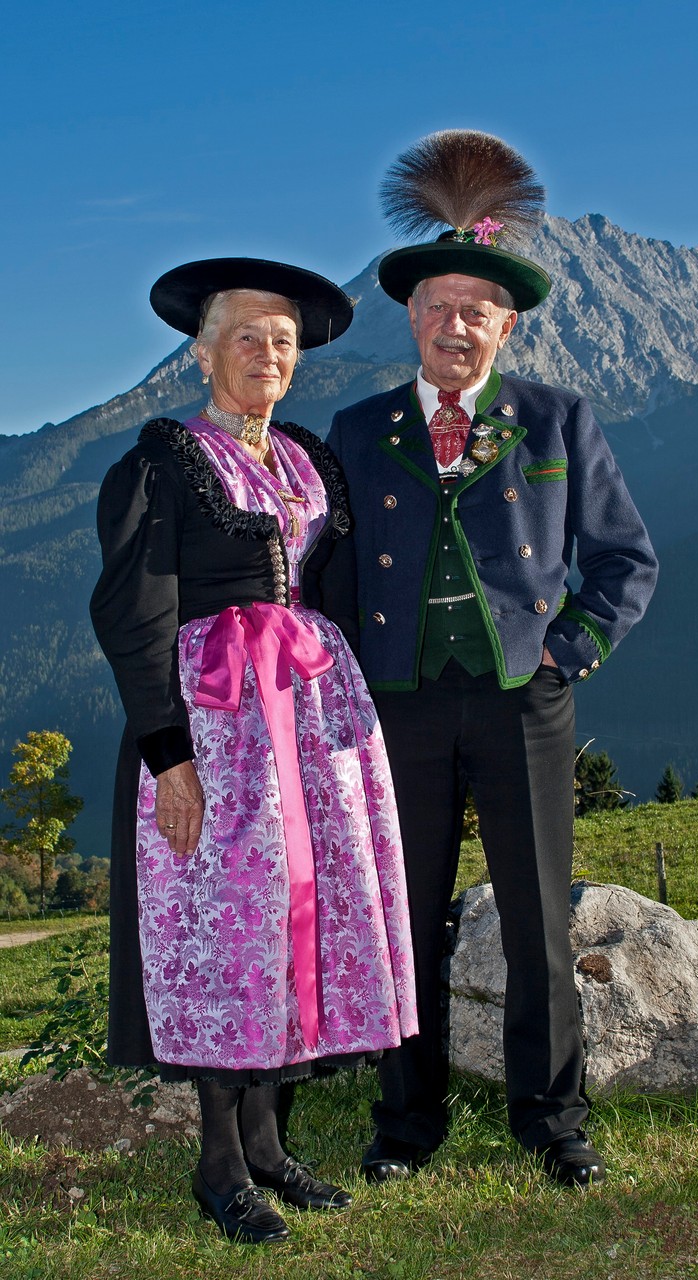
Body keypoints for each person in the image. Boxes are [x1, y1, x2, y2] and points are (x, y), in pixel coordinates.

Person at [321, 132, 659, 1188]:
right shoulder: (358, 425)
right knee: (404, 916)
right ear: (410, 318)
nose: (455, 324)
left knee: (535, 915)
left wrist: (569, 651)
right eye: (437, 306)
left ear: (504, 325)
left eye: (477, 309)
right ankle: (406, 1120)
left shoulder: (557, 418)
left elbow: (624, 558)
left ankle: (552, 1115)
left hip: (524, 700)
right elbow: (329, 577)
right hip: (400, 706)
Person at [90, 257, 417, 1244]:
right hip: (216, 722)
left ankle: (272, 1144)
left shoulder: (307, 458)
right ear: (201, 350)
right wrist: (167, 751)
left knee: (296, 920)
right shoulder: (161, 458)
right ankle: (220, 1164)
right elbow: (132, 609)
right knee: (228, 933)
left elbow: (331, 589)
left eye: (282, 339)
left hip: (307, 721)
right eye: (246, 334)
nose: (268, 352)